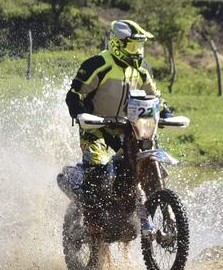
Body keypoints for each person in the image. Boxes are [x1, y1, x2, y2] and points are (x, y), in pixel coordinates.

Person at [65, 19, 171, 234]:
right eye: (132, 46)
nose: (137, 51)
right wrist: (80, 114)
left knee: (143, 163)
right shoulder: (97, 64)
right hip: (95, 127)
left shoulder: (141, 69)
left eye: (139, 46)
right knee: (98, 165)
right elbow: (74, 95)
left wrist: (166, 112)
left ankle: (137, 209)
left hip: (128, 128)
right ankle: (92, 218)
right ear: (117, 44)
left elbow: (154, 97)